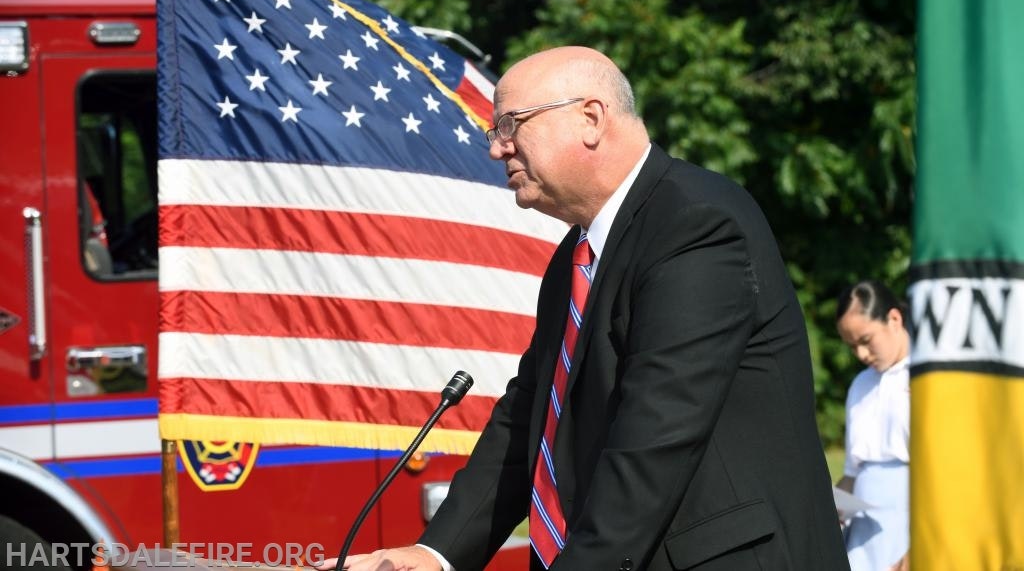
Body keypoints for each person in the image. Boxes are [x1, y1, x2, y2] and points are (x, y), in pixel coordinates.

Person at [321, 46, 849, 570]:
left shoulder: (696, 225)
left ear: (591, 119)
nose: (497, 150)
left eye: (511, 124)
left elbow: (656, 436)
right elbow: (530, 416)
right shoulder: (573, 259)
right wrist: (434, 554)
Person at [834, 281, 910, 571]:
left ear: (893, 319)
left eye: (866, 340)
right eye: (852, 346)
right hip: (863, 534)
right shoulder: (861, 384)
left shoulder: (928, 377)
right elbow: (853, 473)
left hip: (911, 522)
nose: (861, 355)